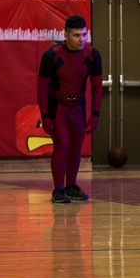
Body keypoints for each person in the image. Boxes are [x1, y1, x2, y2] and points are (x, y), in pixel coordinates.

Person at [37, 15, 103, 203]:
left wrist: (96, 114)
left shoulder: (93, 55)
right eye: (76, 35)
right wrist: (45, 116)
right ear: (65, 34)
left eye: (84, 34)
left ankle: (71, 186)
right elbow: (42, 88)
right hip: (58, 107)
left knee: (76, 145)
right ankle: (58, 190)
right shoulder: (52, 55)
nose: (81, 39)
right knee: (63, 143)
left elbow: (97, 86)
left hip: (77, 108)